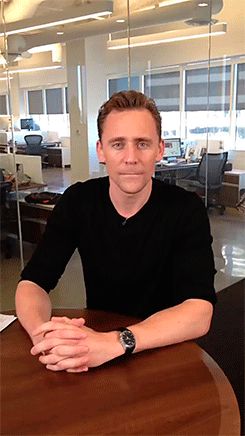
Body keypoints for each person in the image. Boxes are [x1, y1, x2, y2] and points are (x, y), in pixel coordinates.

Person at [15, 90, 216, 373]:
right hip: (98, 349)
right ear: (101, 151)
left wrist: (117, 342)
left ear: (159, 149)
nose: (130, 157)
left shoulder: (185, 209)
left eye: (142, 144)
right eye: (118, 144)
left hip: (165, 348)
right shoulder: (79, 202)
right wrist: (45, 335)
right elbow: (32, 283)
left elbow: (199, 311)